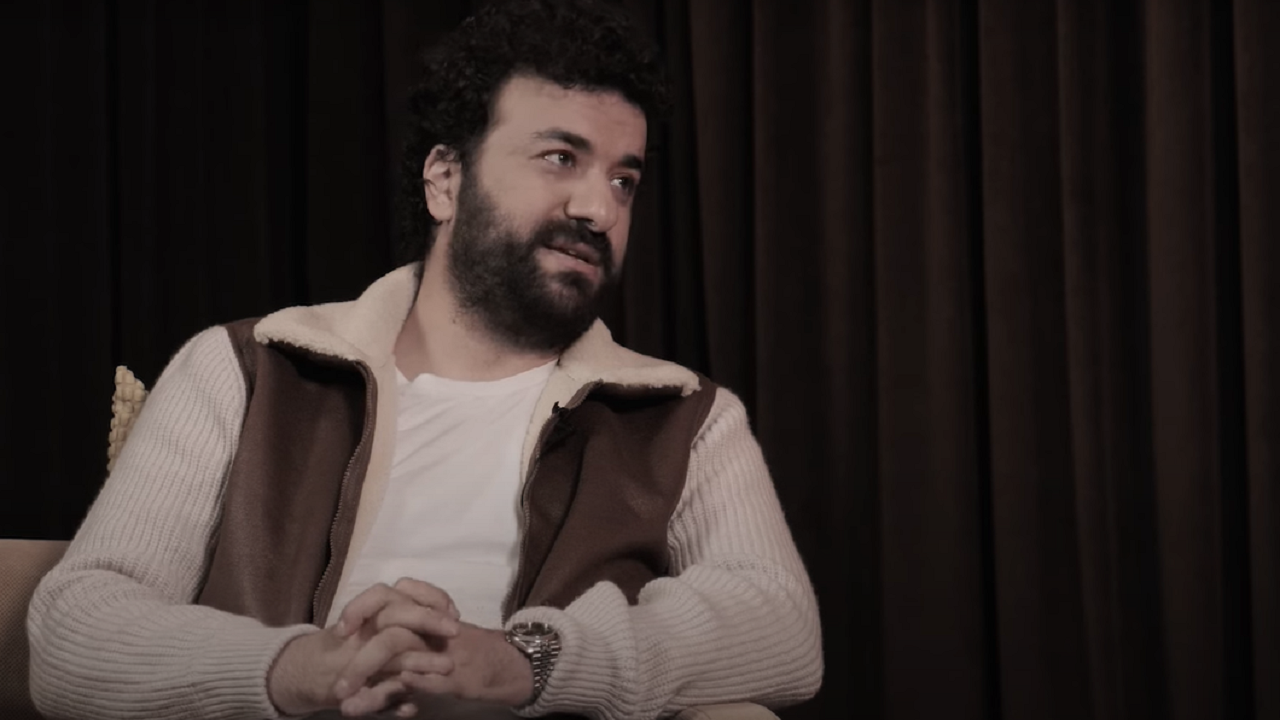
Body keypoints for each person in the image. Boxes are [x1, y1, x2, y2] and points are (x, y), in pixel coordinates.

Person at [26, 1, 822, 718]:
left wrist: (530, 662)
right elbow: (73, 634)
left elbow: (781, 628)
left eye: (624, 180)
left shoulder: (681, 417)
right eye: (560, 157)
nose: (598, 208)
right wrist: (298, 670)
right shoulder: (246, 370)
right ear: (445, 179)